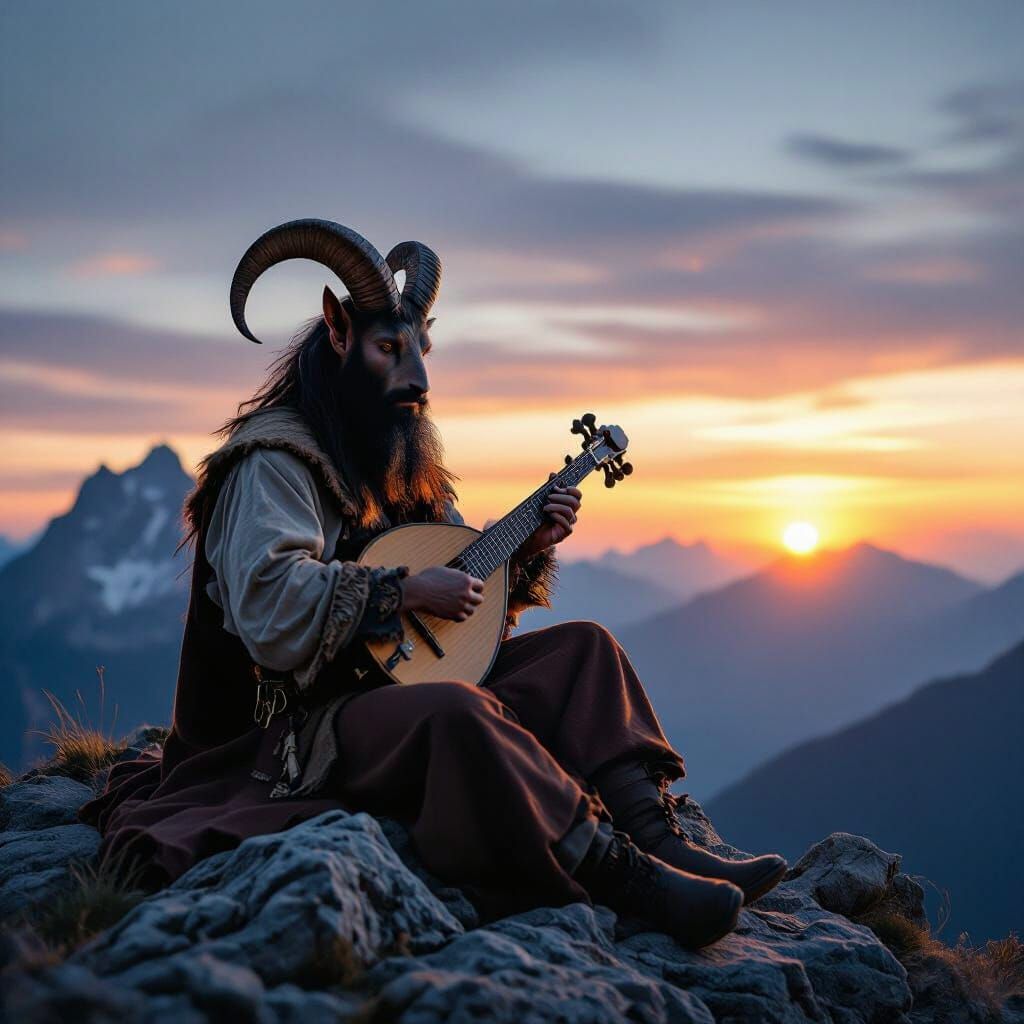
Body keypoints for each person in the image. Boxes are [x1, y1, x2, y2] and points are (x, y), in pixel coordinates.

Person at [81, 220, 785, 949]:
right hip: (290, 734)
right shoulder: (273, 462)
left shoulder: (398, 458)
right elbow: (269, 606)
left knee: (585, 651)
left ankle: (659, 838)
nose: (417, 376)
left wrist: (526, 551)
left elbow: (460, 594)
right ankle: (626, 880)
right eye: (391, 349)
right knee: (456, 713)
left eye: (421, 349)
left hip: (388, 687)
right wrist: (399, 595)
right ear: (339, 331)